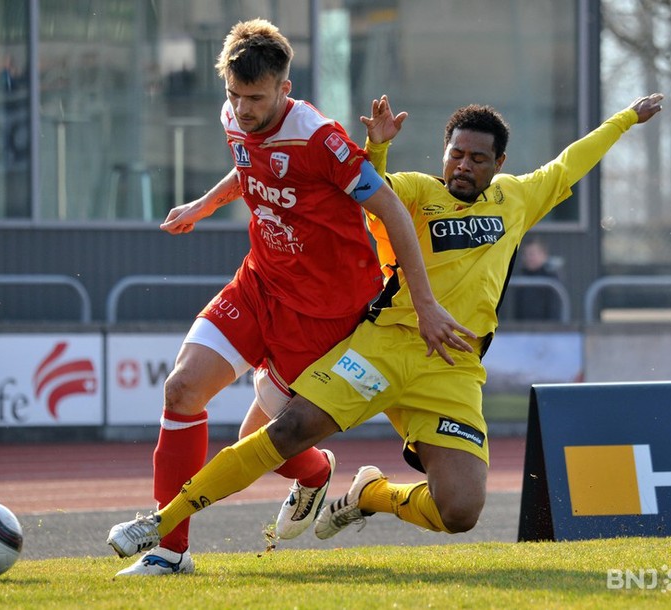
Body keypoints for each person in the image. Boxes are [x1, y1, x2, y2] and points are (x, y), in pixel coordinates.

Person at [108, 92, 664, 560]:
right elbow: (366, 193)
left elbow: (572, 161)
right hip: (380, 347)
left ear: (499, 163)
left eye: (477, 158)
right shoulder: (419, 191)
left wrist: (625, 119)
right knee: (284, 433)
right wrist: (378, 146)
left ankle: (368, 494)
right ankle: (161, 524)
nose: (463, 166)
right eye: (456, 154)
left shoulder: (517, 199)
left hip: (451, 370)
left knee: (461, 511)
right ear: (444, 154)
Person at [117, 19, 472, 577]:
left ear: (285, 88)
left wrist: (424, 304)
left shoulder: (320, 139)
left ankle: (315, 473)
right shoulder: (234, 115)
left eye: (255, 99)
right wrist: (203, 205)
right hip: (259, 283)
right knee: (182, 389)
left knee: (259, 440)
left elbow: (392, 211)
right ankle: (170, 552)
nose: (242, 109)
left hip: (325, 315)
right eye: (234, 95)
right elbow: (248, 166)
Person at [512, 238, 564, 321]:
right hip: (524, 327)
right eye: (525, 254)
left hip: (547, 327)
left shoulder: (551, 280)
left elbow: (554, 310)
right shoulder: (520, 279)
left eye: (532, 254)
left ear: (544, 255)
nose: (528, 258)